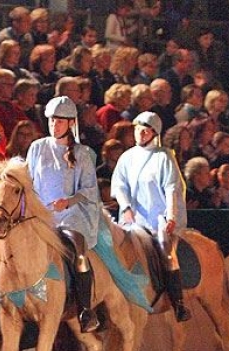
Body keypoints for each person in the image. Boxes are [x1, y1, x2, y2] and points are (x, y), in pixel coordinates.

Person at [26, 96, 101, 333]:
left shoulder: (82, 153)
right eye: (51, 120)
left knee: (76, 247)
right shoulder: (37, 148)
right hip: (41, 215)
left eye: (59, 121)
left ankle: (85, 310)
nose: (53, 125)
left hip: (71, 215)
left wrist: (68, 201)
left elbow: (89, 188)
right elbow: (28, 181)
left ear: (70, 123)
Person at [111, 111, 191, 322]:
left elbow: (172, 188)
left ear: (154, 133)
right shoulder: (127, 157)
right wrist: (126, 207)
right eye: (138, 129)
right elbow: (119, 185)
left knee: (166, 250)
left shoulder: (164, 157)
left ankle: (178, 302)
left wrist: (171, 216)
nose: (141, 133)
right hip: (132, 219)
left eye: (146, 130)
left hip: (158, 219)